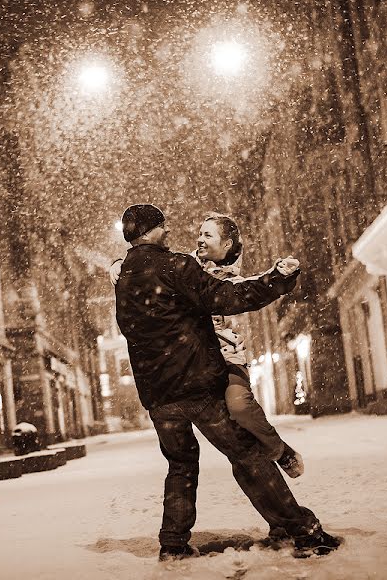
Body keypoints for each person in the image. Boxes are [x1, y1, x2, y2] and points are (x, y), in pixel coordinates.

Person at [113, 204, 340, 561]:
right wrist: (276, 282)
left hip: (157, 394)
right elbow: (228, 296)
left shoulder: (125, 278)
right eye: (163, 226)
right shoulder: (176, 266)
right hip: (196, 386)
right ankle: (304, 531)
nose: (170, 232)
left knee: (181, 464)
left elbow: (131, 329)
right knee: (247, 455)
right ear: (153, 230)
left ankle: (173, 544)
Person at [110, 212, 305, 478]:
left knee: (239, 407)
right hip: (197, 364)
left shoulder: (230, 281)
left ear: (227, 244)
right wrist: (119, 262)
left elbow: (249, 288)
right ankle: (276, 498)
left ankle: (279, 451)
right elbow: (153, 265)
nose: (200, 239)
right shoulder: (185, 267)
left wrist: (279, 274)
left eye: (208, 235)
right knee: (232, 446)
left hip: (226, 358)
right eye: (200, 234)